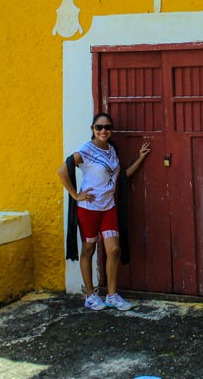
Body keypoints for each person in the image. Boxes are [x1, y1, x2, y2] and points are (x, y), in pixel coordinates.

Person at [57, 112, 150, 311]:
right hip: (89, 208)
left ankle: (112, 295)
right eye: (99, 127)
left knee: (114, 250)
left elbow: (121, 177)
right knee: (89, 250)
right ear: (92, 129)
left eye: (107, 127)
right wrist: (75, 195)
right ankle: (90, 295)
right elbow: (62, 170)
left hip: (108, 206)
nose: (103, 131)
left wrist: (140, 158)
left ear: (111, 130)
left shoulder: (112, 151)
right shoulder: (86, 150)